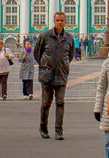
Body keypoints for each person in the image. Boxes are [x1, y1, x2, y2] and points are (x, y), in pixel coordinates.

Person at [34, 11, 74, 140]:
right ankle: (43, 127)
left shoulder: (69, 38)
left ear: (65, 22)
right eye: (57, 20)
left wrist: (63, 66)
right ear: (54, 21)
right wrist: (44, 66)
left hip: (61, 74)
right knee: (46, 103)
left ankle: (59, 130)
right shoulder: (45, 36)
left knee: (60, 102)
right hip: (47, 74)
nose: (59, 22)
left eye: (62, 20)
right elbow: (37, 54)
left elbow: (70, 56)